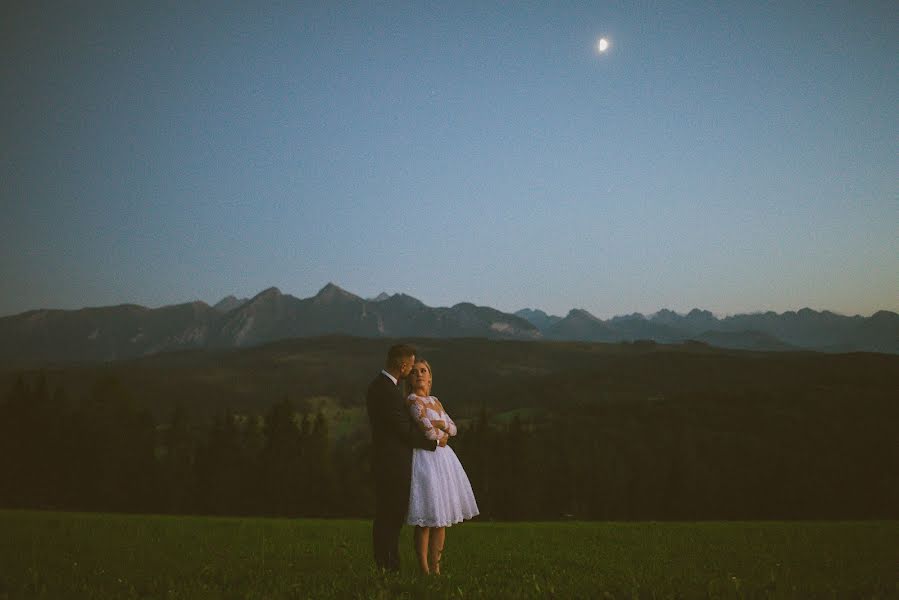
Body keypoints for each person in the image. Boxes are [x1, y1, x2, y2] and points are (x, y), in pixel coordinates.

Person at [366, 344, 438, 573]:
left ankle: (387, 564)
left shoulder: (382, 387)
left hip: (388, 461)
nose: (412, 371)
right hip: (391, 464)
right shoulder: (387, 391)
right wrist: (434, 442)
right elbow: (403, 430)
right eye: (411, 365)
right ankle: (388, 566)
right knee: (390, 516)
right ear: (403, 365)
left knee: (389, 515)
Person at [406, 359, 479, 575]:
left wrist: (439, 426)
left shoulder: (435, 400)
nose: (419, 374)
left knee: (441, 518)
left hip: (443, 460)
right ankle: (424, 568)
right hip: (425, 458)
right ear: (409, 379)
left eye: (423, 371)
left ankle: (436, 567)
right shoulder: (412, 400)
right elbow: (427, 432)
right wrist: (441, 429)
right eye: (414, 372)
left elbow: (454, 429)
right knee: (426, 518)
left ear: (430, 377)